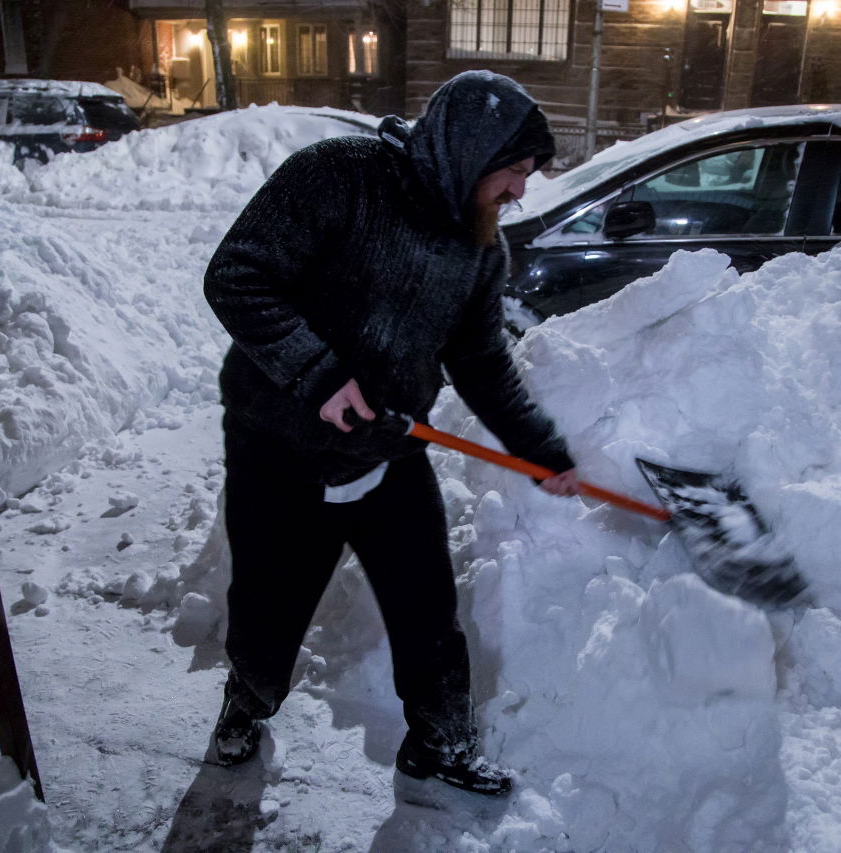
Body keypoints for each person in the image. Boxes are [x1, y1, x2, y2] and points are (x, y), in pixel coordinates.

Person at [202, 70, 580, 796]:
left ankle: (440, 740)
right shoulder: (337, 177)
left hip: (388, 443)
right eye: (513, 173)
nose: (519, 192)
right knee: (270, 599)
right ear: (470, 153)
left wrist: (539, 448)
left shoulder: (480, 246)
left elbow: (481, 361)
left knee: (427, 604)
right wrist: (317, 373)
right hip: (278, 444)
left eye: (527, 177)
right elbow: (237, 276)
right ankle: (245, 701)